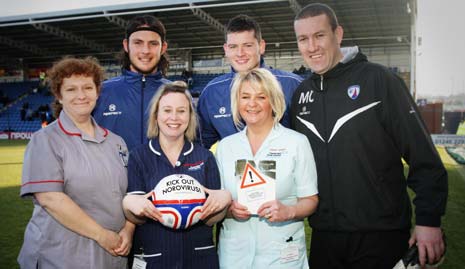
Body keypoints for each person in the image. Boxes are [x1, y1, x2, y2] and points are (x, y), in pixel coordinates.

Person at [291, 3, 448, 268]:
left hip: (380, 235)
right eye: (303, 39)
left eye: (319, 36)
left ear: (337, 34)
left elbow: (423, 155)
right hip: (325, 238)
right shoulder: (301, 95)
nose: (312, 46)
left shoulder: (379, 80)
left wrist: (428, 219)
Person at [18, 57, 134, 268]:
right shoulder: (45, 140)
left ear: (97, 92)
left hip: (112, 256)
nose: (81, 95)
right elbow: (51, 199)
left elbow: (129, 195)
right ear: (58, 95)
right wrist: (102, 235)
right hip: (61, 257)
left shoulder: (117, 142)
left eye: (87, 87)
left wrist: (129, 229)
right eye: (71, 89)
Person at [216, 68, 318, 268]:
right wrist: (229, 210)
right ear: (237, 101)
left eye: (260, 97)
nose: (252, 104)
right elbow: (216, 206)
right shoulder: (226, 147)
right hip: (235, 255)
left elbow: (311, 200)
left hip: (282, 255)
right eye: (245, 96)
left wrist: (288, 211)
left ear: (273, 100)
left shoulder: (296, 142)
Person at [122, 81, 231, 268]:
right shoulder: (139, 156)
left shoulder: (205, 157)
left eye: (181, 110)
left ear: (190, 116)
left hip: (199, 258)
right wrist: (129, 205)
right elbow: (135, 217)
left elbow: (212, 220)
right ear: (156, 115)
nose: (174, 117)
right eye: (167, 110)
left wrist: (223, 201)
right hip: (154, 257)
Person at [197, 14, 303, 149]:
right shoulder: (212, 93)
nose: (240, 53)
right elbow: (201, 146)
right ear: (226, 49)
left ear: (261, 46)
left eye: (247, 45)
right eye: (233, 46)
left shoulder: (292, 85)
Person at [93, 15, 170, 151]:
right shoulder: (101, 92)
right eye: (138, 42)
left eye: (153, 43)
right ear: (126, 45)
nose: (145, 50)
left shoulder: (176, 93)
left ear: (163, 47)